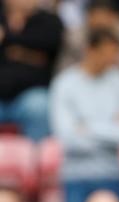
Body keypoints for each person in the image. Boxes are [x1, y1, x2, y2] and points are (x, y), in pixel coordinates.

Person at [49, 27, 119, 202]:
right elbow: (67, 138)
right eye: (107, 52)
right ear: (90, 50)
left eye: (116, 52)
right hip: (74, 176)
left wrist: (87, 126)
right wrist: (111, 126)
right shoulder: (65, 83)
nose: (114, 58)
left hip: (112, 174)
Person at [0, 0, 63, 141]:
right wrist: (29, 54)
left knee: (39, 106)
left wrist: (6, 38)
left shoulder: (49, 20)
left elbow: (48, 43)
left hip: (31, 94)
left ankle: (37, 158)